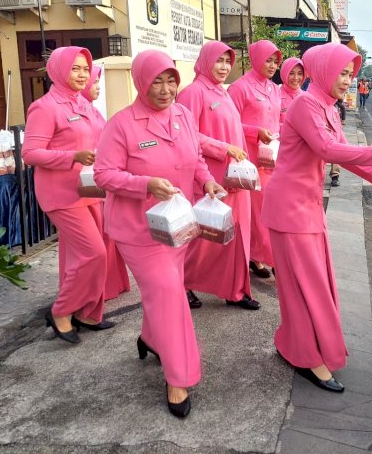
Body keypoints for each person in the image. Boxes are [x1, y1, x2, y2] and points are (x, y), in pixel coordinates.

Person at [261, 43, 372, 393]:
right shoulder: (305, 104)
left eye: (350, 74)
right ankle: (307, 357)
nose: (348, 80)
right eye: (343, 73)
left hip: (307, 207)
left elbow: (342, 155)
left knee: (313, 285)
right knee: (306, 287)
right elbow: (327, 149)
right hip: (290, 210)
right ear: (326, 70)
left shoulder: (327, 107)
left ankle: (297, 345)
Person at [94, 49, 224, 419]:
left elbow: (196, 157)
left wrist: (209, 182)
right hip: (138, 230)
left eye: (171, 81)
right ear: (141, 81)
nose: (165, 90)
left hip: (177, 225)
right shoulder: (121, 124)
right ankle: (178, 377)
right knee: (170, 293)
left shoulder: (182, 114)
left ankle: (151, 339)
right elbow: (104, 175)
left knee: (163, 292)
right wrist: (145, 183)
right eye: (157, 81)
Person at [21, 46, 111, 344]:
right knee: (93, 253)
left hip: (89, 189)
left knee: (93, 255)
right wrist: (73, 156)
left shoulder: (84, 105)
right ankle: (61, 311)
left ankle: (87, 313)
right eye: (75, 68)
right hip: (61, 194)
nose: (82, 74)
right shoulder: (44, 107)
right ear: (58, 70)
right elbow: (31, 153)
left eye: (86, 69)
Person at [176, 41, 259, 311]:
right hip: (210, 179)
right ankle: (182, 282)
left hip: (235, 178)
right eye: (218, 60)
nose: (224, 67)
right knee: (205, 239)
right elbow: (186, 136)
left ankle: (235, 290)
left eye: (227, 61)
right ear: (205, 61)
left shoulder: (222, 93)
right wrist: (224, 148)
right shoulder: (192, 93)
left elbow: (234, 130)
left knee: (237, 238)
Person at [227, 40, 282, 279]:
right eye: (267, 60)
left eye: (275, 61)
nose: (272, 65)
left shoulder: (274, 88)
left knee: (271, 209)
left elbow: (276, 120)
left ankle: (258, 255)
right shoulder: (240, 88)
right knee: (260, 211)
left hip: (272, 157)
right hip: (250, 159)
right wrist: (254, 131)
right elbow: (230, 122)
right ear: (255, 59)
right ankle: (265, 257)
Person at [79, 65, 131, 301]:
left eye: (98, 83)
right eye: (95, 83)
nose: (98, 88)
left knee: (107, 233)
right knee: (95, 241)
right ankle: (95, 290)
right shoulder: (77, 110)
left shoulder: (93, 111)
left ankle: (112, 284)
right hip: (85, 181)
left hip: (100, 178)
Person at [279, 57, 305, 125]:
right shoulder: (275, 96)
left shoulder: (307, 97)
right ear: (284, 73)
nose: (296, 78)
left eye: (299, 73)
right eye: (291, 73)